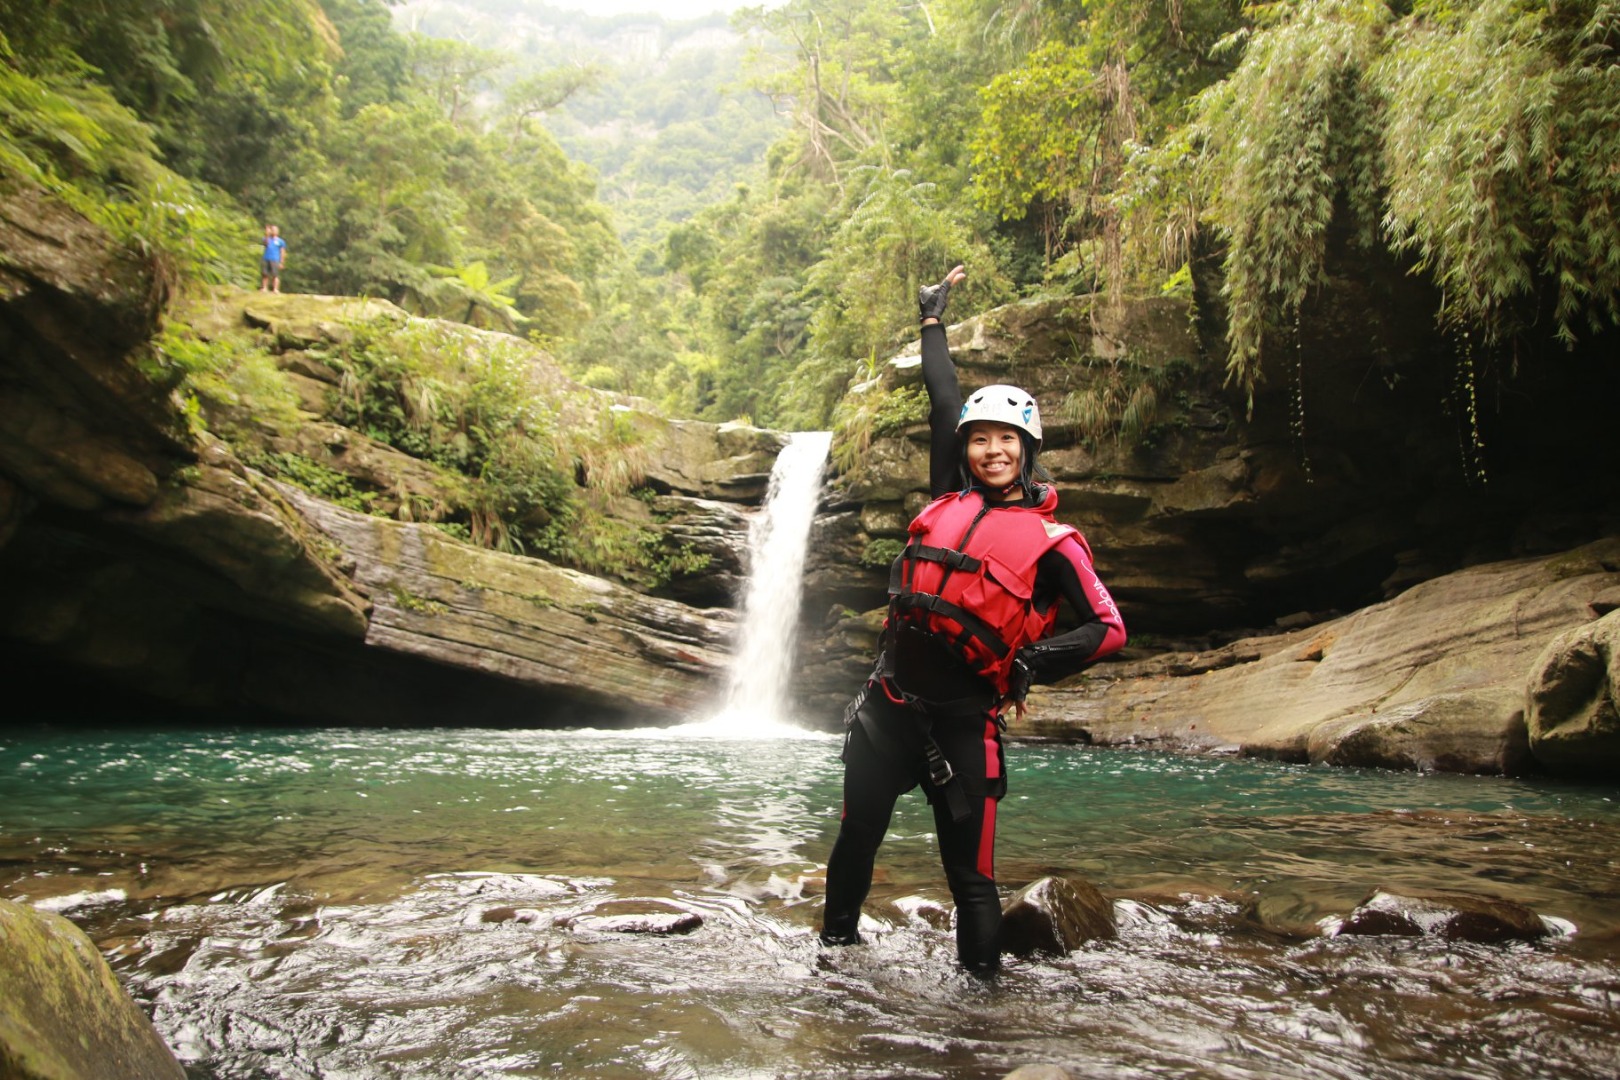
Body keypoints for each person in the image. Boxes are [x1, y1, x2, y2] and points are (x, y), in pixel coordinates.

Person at [818, 264, 1127, 975]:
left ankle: (981, 1016)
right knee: (855, 840)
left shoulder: (1055, 545)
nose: (992, 450)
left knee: (972, 881)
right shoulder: (946, 496)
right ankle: (834, 965)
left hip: (964, 723)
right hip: (886, 710)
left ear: (1028, 450)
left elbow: (1108, 628)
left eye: (1007, 439)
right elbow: (943, 399)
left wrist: (1031, 664)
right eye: (981, 439)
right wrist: (932, 320)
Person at [260, 224, 286, 293]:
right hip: (266, 258)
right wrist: (267, 234)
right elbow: (265, 243)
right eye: (272, 230)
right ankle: (264, 288)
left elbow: (282, 252)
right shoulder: (267, 239)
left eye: (275, 230)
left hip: (275, 259)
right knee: (265, 274)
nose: (274, 231)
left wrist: (281, 262)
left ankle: (275, 289)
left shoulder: (280, 241)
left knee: (275, 275)